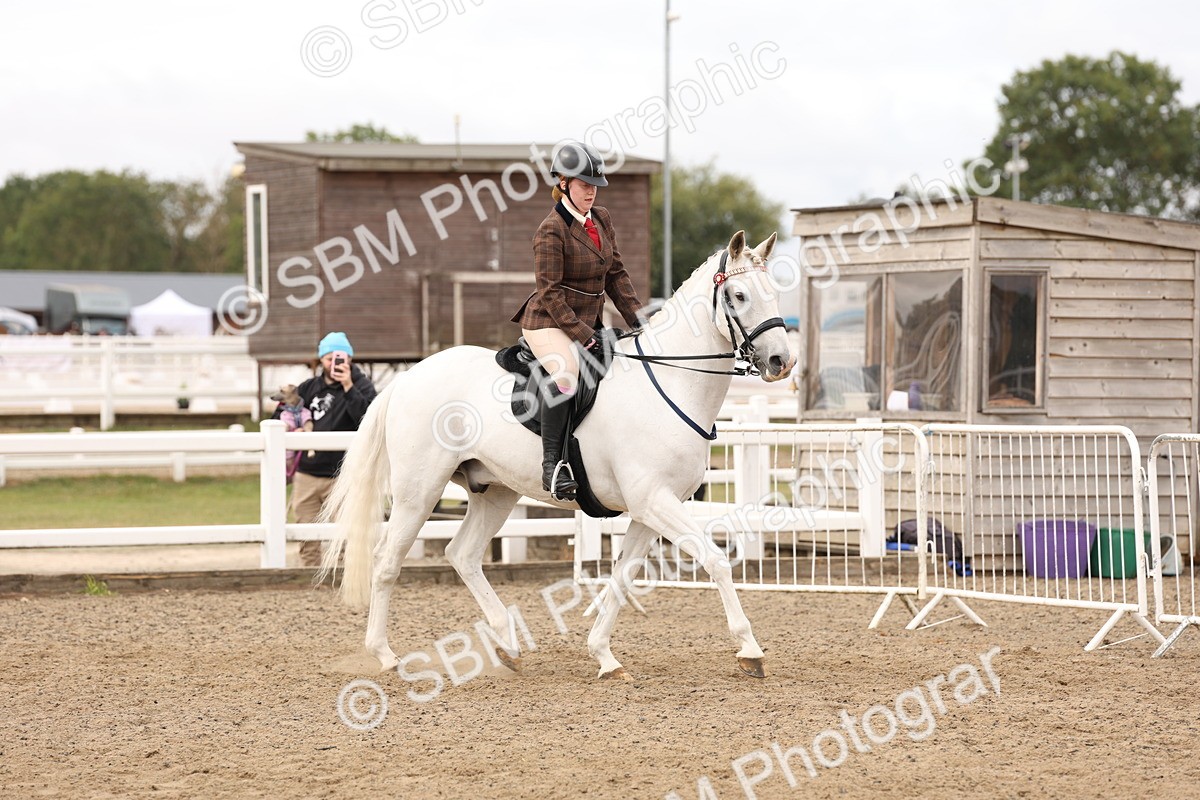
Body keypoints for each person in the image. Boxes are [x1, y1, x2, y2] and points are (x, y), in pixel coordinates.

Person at [510, 141, 644, 500]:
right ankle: (553, 465)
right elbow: (550, 293)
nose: (591, 191)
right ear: (564, 182)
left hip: (586, 322)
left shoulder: (601, 219)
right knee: (567, 373)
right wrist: (583, 335)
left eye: (595, 185)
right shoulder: (550, 230)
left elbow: (616, 274)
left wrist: (640, 321)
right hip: (548, 322)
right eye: (585, 184)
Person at [276, 331, 377, 566]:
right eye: (329, 358)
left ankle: (343, 575)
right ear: (321, 359)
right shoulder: (309, 387)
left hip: (345, 473)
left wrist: (348, 386)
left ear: (349, 358)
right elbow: (280, 413)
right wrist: (293, 430)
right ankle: (309, 577)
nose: (334, 363)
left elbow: (368, 419)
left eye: (340, 358)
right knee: (306, 529)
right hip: (308, 472)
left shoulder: (363, 386)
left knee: (347, 532)